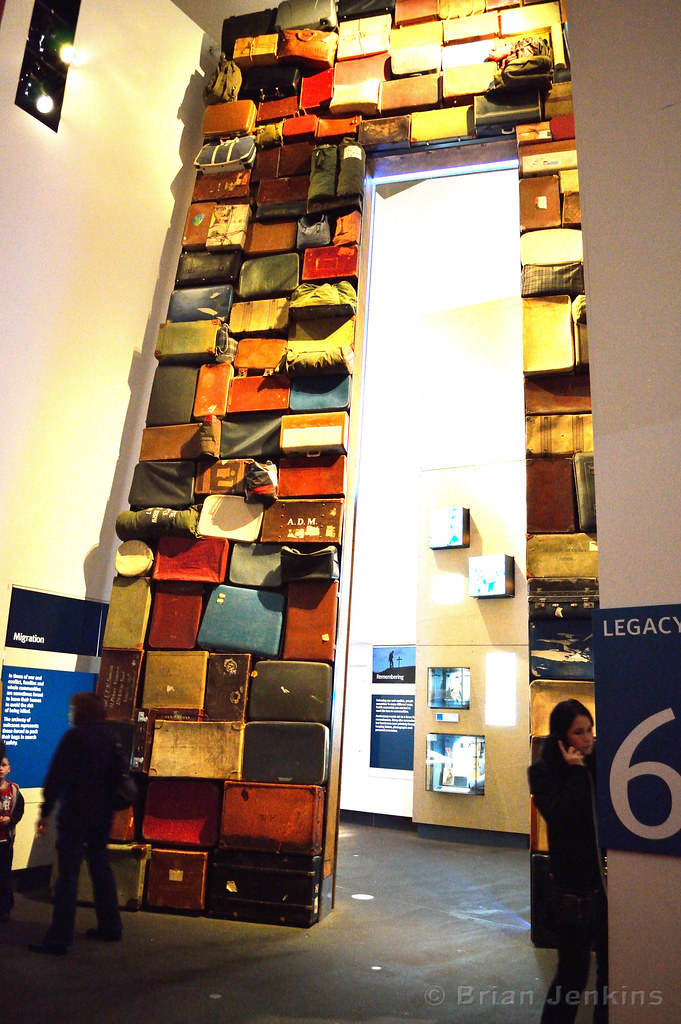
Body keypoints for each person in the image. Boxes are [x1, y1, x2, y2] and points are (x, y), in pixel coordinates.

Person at [528, 699, 608, 1024]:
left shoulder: (601, 764)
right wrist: (575, 772)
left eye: (590, 730)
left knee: (610, 973)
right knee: (572, 977)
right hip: (572, 891)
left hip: (605, 886)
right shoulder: (543, 772)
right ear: (562, 737)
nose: (587, 738)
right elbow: (563, 816)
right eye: (579, 732)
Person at [29, 691, 125, 954]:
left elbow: (56, 777)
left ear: (81, 711)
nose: (70, 713)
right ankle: (111, 926)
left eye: (73, 708)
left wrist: (45, 811)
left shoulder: (75, 737)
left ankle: (60, 938)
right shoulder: (111, 736)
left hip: (75, 813)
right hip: (102, 813)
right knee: (100, 868)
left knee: (68, 875)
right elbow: (119, 775)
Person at [0, 753, 25, 921]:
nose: (0, 768)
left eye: (3, 765)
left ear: (9, 769)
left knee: (3, 876)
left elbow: (19, 810)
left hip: (4, 842)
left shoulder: (13, 790)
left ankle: (4, 909)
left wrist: (11, 819)